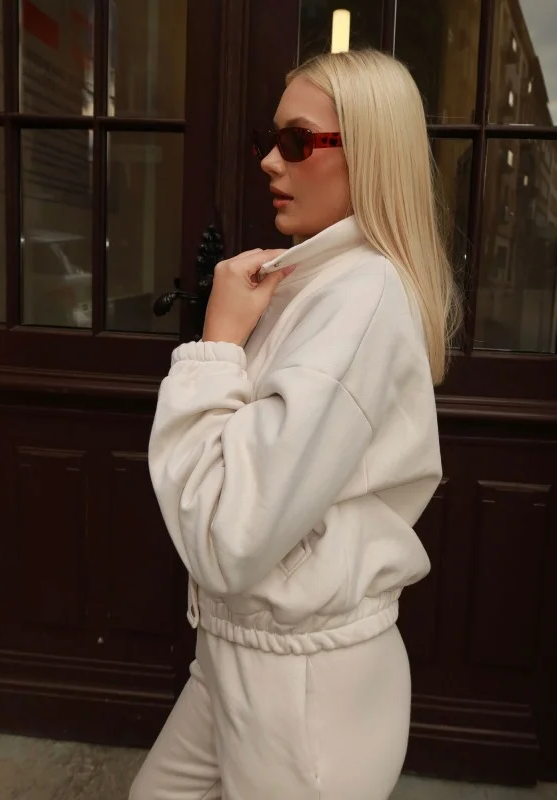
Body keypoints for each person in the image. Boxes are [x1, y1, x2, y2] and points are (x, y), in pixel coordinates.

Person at [130, 48, 460, 800]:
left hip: (303, 692)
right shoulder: (317, 285)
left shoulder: (359, 299)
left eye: (297, 141)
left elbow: (229, 535)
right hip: (244, 655)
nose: (269, 162)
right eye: (269, 139)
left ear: (368, 154)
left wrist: (217, 344)